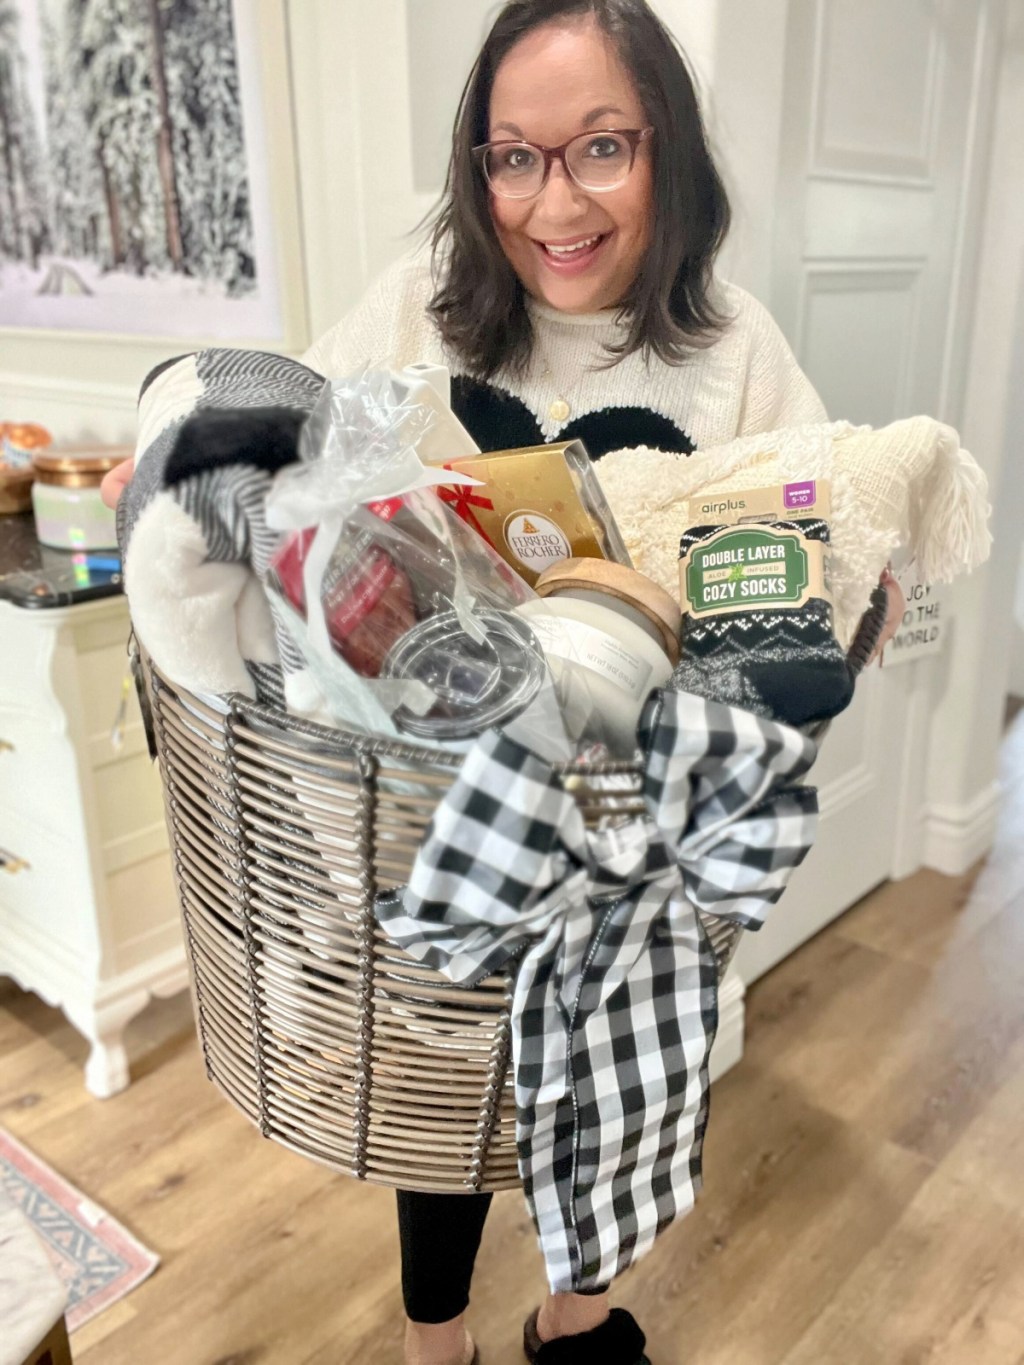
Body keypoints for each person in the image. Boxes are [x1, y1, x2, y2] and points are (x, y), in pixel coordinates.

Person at [103, 3, 904, 1361]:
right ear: (475, 171)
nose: (554, 203)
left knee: (606, 1068)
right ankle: (437, 1336)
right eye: (511, 158)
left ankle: (574, 1311)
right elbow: (292, 456)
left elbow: (825, 554)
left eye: (601, 147)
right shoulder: (423, 304)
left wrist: (846, 605)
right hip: (429, 802)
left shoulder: (740, 349)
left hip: (629, 811)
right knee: (444, 1069)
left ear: (670, 153)